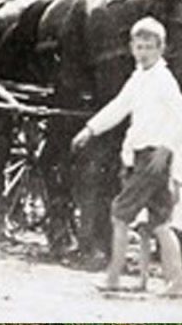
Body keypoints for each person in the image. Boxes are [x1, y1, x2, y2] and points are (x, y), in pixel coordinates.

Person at [72, 16, 182, 295]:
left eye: (149, 47)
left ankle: (113, 277)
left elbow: (180, 117)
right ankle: (177, 282)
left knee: (120, 215)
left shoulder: (164, 80)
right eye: (139, 46)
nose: (143, 52)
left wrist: (167, 148)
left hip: (154, 158)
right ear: (132, 47)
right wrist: (90, 129)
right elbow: (119, 106)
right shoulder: (139, 77)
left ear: (161, 49)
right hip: (142, 156)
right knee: (160, 223)